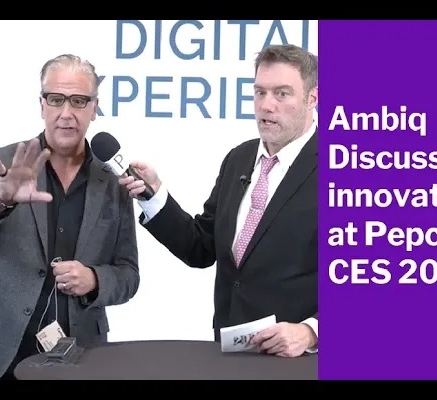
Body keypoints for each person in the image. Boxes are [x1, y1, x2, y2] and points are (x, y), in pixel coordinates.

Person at [119, 44, 318, 357]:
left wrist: (311, 332)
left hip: (298, 363)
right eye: (260, 92)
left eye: (282, 94)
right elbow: (201, 248)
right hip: (229, 357)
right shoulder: (239, 159)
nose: (266, 105)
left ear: (312, 99)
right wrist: (154, 195)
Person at [0, 54, 140, 380]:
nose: (66, 113)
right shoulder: (3, 161)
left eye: (78, 101)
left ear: (94, 108)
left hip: (80, 354)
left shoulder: (114, 182)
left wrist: (94, 280)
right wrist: (1, 200)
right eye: (56, 99)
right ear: (42, 105)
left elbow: (129, 275)